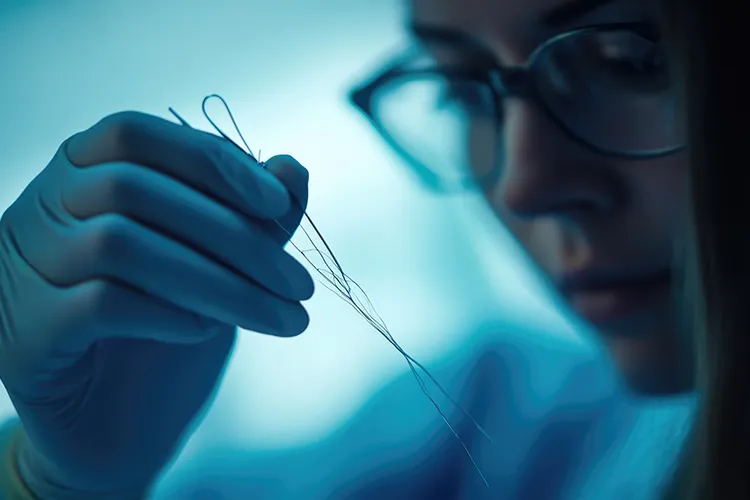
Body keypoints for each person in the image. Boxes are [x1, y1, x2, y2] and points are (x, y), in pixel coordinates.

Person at [0, 0, 695, 498]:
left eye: (628, 60)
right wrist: (57, 484)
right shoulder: (499, 431)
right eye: (462, 90)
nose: (524, 186)